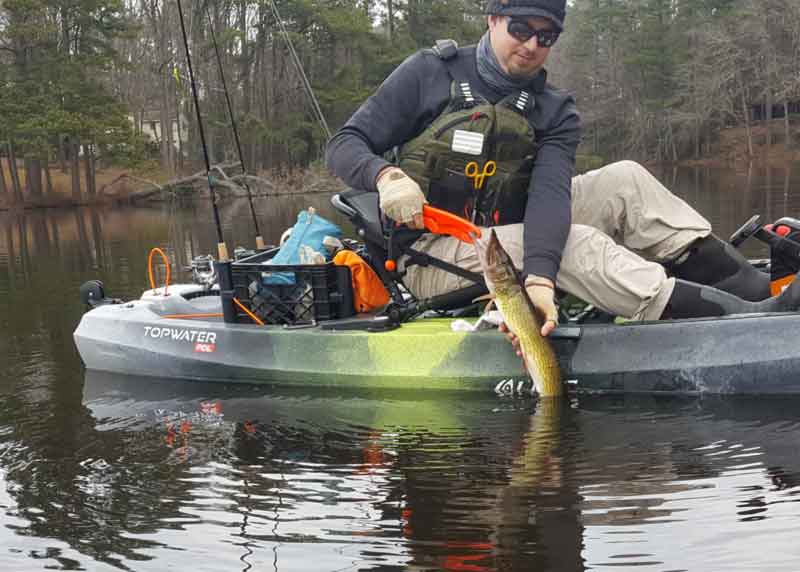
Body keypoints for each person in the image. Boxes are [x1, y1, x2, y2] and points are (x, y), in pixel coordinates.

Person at [326, 0, 800, 336]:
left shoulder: (554, 109)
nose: (533, 45)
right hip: (430, 254)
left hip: (511, 230)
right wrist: (385, 176)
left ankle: (764, 292)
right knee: (575, 246)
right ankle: (742, 323)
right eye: (521, 29)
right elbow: (345, 144)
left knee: (626, 181)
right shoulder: (429, 73)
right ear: (493, 18)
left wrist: (538, 276)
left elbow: (550, 197)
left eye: (547, 36)